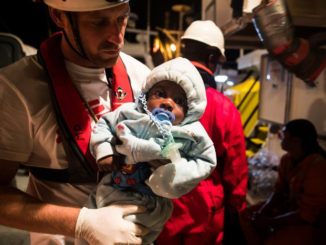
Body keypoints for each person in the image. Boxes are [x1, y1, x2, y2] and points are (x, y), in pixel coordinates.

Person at [0, 0, 153, 244]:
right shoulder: (17, 89)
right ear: (59, 16)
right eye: (99, 22)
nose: (116, 37)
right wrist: (82, 223)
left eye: (122, 18)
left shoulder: (143, 78)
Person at [76, 57, 216, 245]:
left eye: (179, 101)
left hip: (149, 202)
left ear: (190, 111)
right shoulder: (129, 112)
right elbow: (104, 125)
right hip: (112, 185)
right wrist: (105, 151)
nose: (168, 103)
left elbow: (206, 161)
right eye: (160, 93)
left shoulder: (190, 132)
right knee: (87, 231)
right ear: (146, 95)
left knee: (126, 236)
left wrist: (171, 175)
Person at [156, 20, 248, 245]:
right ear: (212, 58)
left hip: (161, 210)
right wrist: (237, 212)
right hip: (204, 219)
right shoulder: (225, 108)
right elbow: (235, 174)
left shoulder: (157, 101)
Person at [239, 119, 326, 245]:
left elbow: (308, 214)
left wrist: (270, 221)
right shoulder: (287, 159)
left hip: (310, 223)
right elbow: (278, 191)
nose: (280, 138)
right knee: (246, 216)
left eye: (284, 135)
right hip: (289, 209)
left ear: (296, 141)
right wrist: (262, 212)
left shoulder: (317, 166)